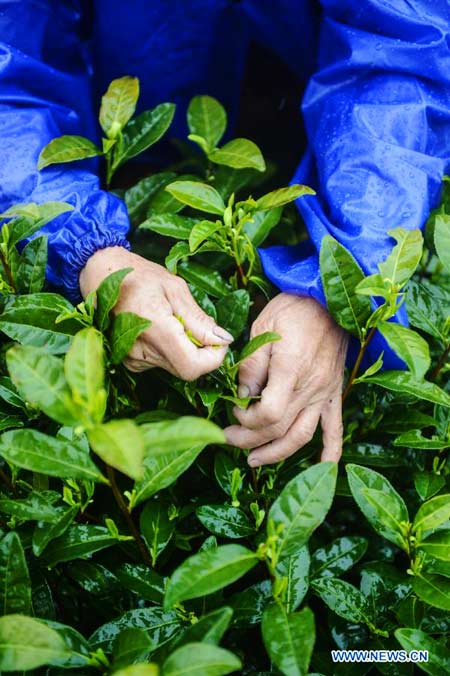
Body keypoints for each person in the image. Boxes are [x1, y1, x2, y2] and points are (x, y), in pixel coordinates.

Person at [1, 1, 448, 467]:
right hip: (121, 150)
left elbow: (401, 53)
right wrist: (88, 250)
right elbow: (9, 58)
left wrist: (339, 287)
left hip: (320, 156)